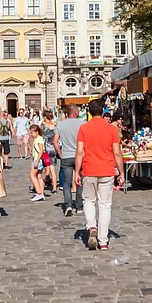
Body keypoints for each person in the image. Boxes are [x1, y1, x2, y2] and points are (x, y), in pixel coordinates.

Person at [74, 99, 124, 250]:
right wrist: (121, 172)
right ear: (103, 111)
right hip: (107, 170)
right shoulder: (111, 129)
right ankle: (103, 241)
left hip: (89, 169)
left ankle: (91, 227)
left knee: (89, 201)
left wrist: (77, 171)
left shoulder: (84, 128)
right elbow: (117, 152)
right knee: (105, 205)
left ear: (89, 112)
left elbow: (79, 152)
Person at [56, 104, 84, 217]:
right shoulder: (82, 124)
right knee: (79, 181)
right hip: (79, 155)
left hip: (66, 156)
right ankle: (79, 206)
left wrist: (60, 153)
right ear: (76, 113)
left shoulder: (60, 125)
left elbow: (55, 141)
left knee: (66, 182)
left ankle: (68, 205)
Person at [28, 123, 48, 201]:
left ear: (37, 132)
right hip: (37, 159)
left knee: (32, 175)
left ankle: (39, 192)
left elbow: (41, 151)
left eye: (32, 132)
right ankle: (41, 192)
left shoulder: (39, 139)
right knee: (39, 176)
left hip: (38, 160)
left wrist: (37, 161)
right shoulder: (37, 139)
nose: (31, 134)